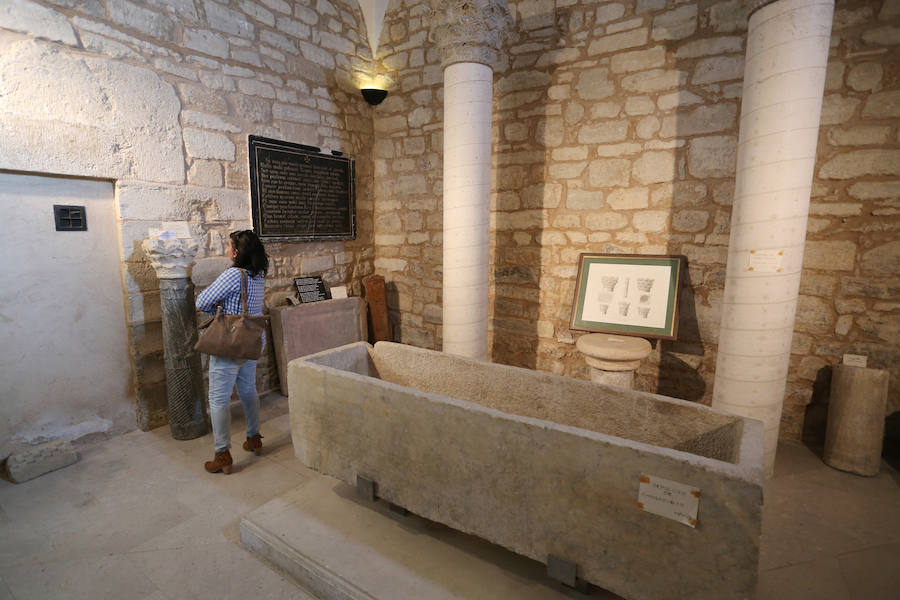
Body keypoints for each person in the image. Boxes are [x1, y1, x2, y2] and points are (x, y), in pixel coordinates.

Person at [195, 230, 269, 474]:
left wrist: (219, 314)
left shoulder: (233, 275)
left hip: (231, 343)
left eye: (228, 246)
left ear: (236, 251)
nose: (227, 249)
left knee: (218, 399)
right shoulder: (259, 275)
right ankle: (254, 437)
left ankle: (222, 454)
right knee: (248, 389)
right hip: (252, 341)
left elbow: (202, 301)